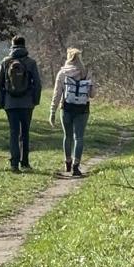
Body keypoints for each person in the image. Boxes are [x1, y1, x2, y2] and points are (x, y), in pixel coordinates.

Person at [0, 33, 42, 171]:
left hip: (10, 103)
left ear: (12, 45)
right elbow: (38, 84)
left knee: (14, 132)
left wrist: (1, 102)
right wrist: (35, 100)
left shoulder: (5, 62)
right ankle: (25, 162)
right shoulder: (31, 62)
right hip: (27, 103)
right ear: (24, 45)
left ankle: (14, 163)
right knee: (25, 132)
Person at [50, 45, 94, 176]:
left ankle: (67, 162)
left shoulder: (63, 73)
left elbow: (57, 94)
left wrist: (52, 111)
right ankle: (76, 165)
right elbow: (92, 94)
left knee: (67, 136)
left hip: (67, 108)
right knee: (79, 137)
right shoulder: (86, 72)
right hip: (83, 109)